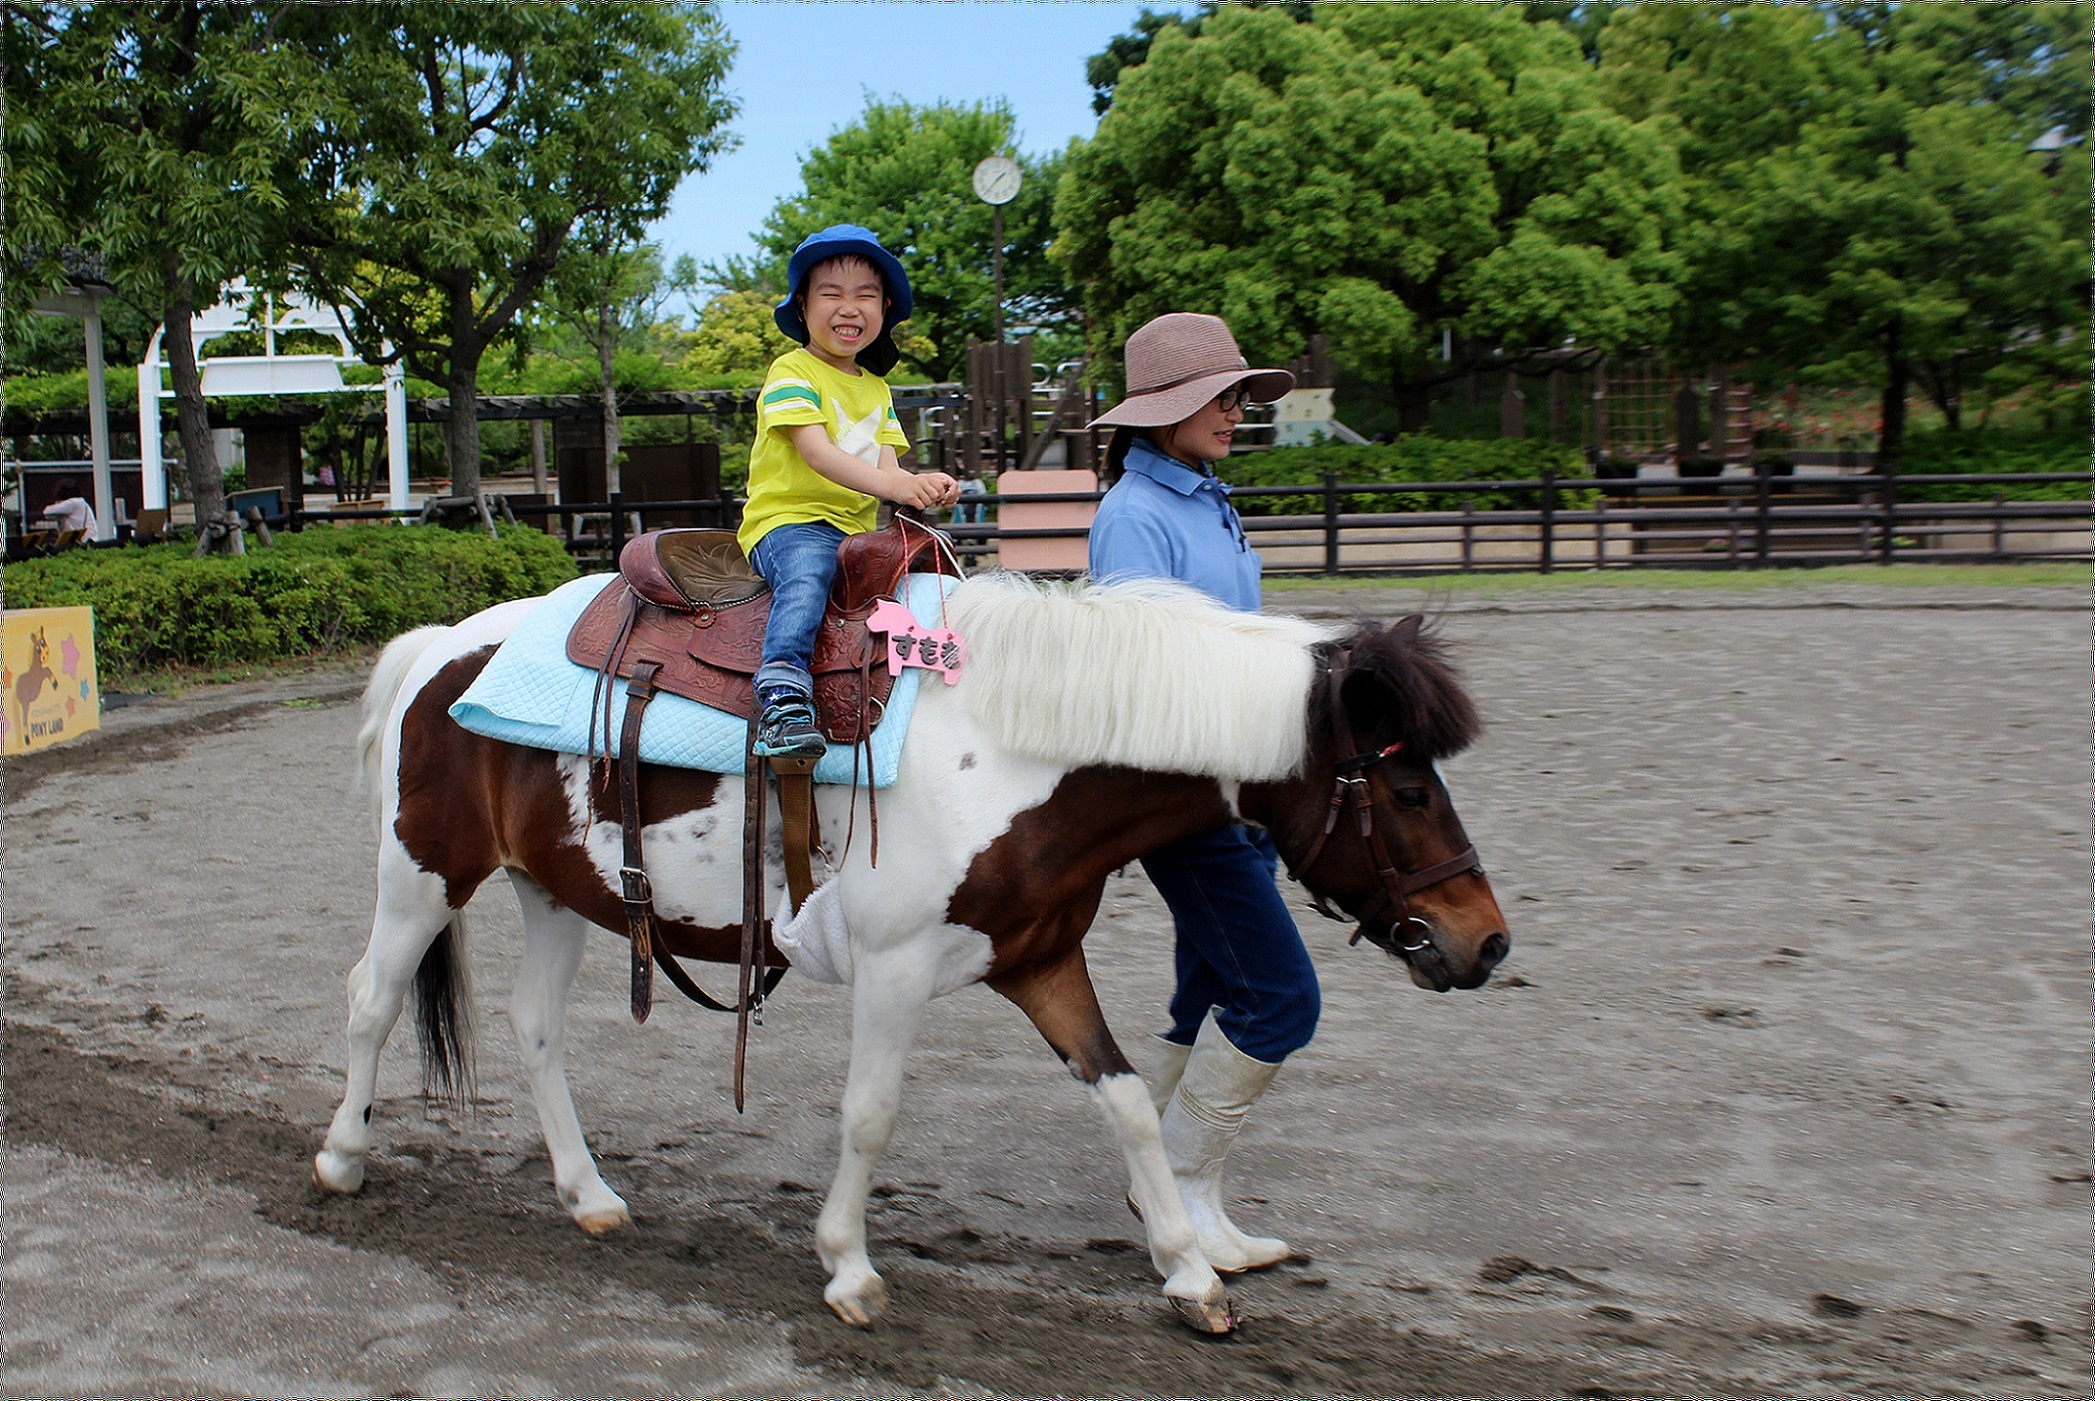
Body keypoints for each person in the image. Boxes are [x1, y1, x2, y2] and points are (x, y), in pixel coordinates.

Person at [1086, 311, 1304, 1274]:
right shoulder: (1135, 514)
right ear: (1163, 411)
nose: (1233, 410)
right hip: (1188, 796)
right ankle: (1180, 1187)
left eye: (1236, 395)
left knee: (1207, 985)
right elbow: (1146, 680)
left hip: (1240, 782)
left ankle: (1173, 1186)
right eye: (1217, 396)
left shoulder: (1204, 495)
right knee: (1279, 998)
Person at [738, 224, 960, 756]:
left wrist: (923, 487)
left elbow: (888, 468)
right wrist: (898, 484)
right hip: (788, 523)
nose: (849, 307)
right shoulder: (792, 371)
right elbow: (818, 453)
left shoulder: (877, 388)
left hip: (854, 532)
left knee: (930, 576)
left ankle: (936, 679)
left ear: (884, 308)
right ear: (802, 306)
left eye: (865, 295)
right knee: (808, 574)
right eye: (831, 294)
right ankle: (782, 690)